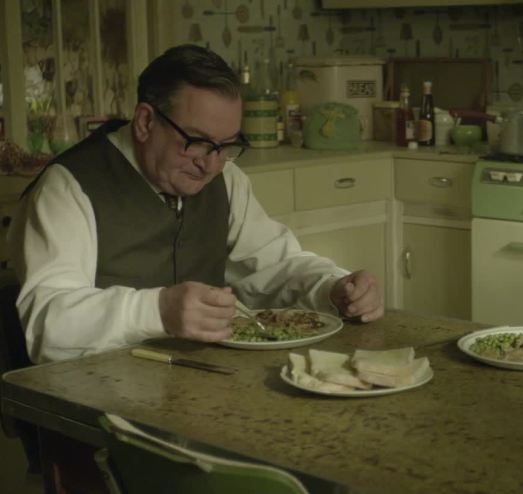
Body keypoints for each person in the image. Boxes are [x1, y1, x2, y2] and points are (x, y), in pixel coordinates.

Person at [9, 44, 384, 364]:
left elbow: (276, 265)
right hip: (92, 404)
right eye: (197, 142)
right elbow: (48, 326)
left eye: (226, 146)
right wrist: (158, 311)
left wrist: (332, 286)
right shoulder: (68, 188)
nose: (211, 164)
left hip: (199, 389)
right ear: (145, 122)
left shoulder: (225, 179)